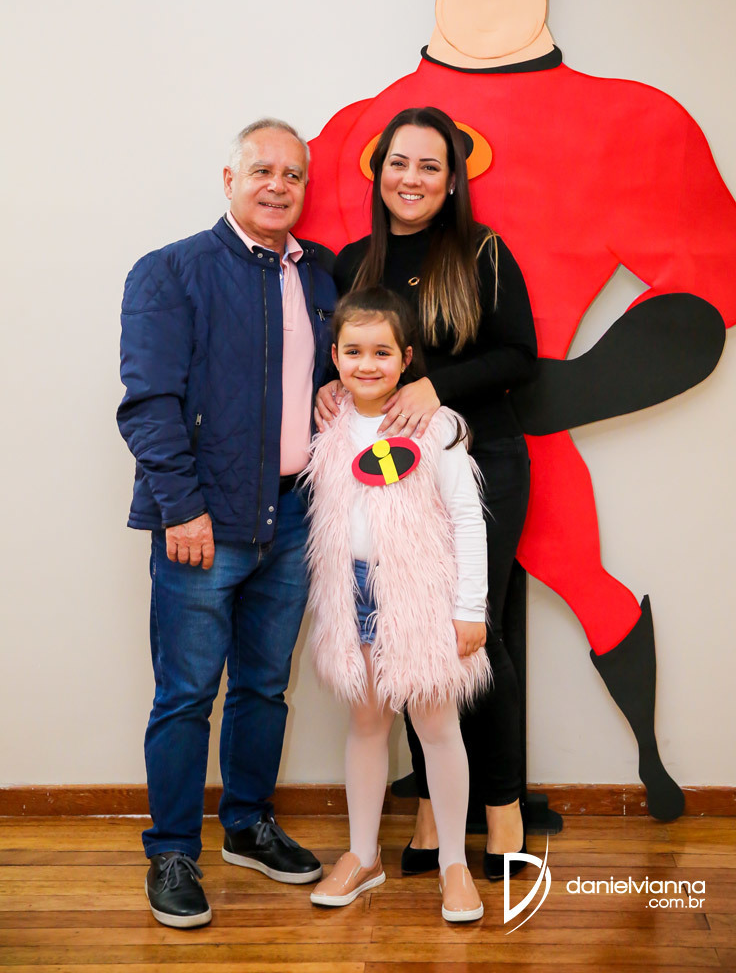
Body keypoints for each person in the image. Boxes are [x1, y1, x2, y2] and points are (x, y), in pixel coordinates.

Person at [299, 0, 736, 822]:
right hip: (401, 454)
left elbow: (719, 281)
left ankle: (566, 788)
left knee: (555, 592)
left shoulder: (630, 122)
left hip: (515, 434)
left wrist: (569, 393)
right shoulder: (354, 132)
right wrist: (326, 390)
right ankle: (447, 801)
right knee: (424, 616)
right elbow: (314, 297)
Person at [117, 118, 337, 929]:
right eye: (262, 171)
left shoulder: (320, 277)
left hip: (294, 516)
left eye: (293, 175)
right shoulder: (171, 271)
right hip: (202, 522)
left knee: (264, 686)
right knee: (185, 695)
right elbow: (148, 404)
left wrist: (334, 391)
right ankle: (174, 850)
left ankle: (247, 823)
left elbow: (331, 374)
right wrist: (182, 507)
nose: (278, 186)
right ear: (229, 179)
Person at [316, 106, 538, 878]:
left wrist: (435, 384)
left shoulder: (482, 252)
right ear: (378, 173)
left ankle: (503, 814)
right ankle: (429, 815)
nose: (411, 179)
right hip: (392, 477)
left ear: (452, 182)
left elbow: (520, 356)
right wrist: (327, 389)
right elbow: (346, 356)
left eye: (429, 166)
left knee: (474, 635)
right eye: (398, 163)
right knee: (406, 636)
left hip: (480, 461)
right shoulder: (354, 262)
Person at [305, 286, 488, 922]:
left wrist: (470, 608)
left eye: (382, 352)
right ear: (334, 357)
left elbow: (467, 517)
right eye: (353, 351)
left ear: (406, 358)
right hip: (351, 593)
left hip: (420, 597)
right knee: (366, 724)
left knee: (437, 727)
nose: (367, 364)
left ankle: (454, 864)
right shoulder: (328, 423)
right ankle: (363, 855)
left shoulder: (434, 427)